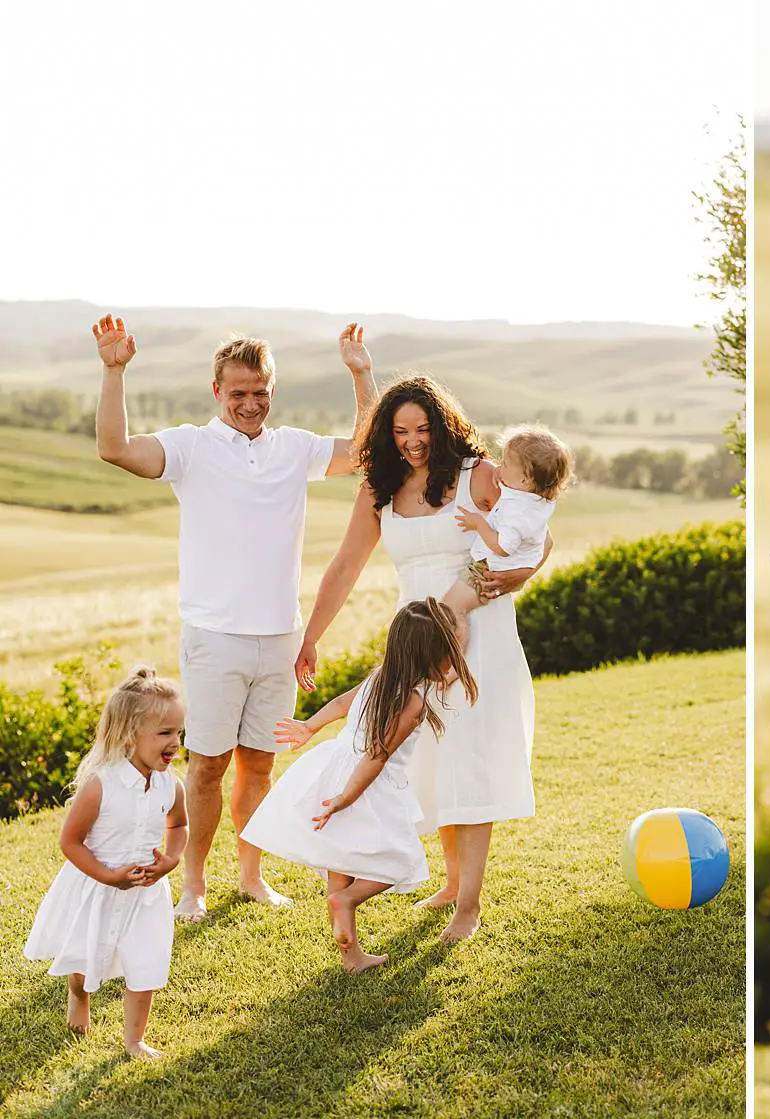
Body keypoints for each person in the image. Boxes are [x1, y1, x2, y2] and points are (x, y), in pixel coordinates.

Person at [93, 316, 375, 923]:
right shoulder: (191, 448)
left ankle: (251, 875)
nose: (250, 403)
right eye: (238, 392)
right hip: (214, 638)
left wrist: (361, 373)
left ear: (273, 390)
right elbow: (115, 449)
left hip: (280, 637)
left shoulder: (294, 448)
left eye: (260, 392)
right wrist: (114, 372)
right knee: (208, 768)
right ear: (217, 391)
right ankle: (193, 884)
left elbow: (366, 452)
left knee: (259, 765)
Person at [296, 376, 550, 943]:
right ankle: (451, 880)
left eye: (423, 429)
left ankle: (469, 904)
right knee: (432, 759)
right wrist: (311, 636)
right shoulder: (379, 490)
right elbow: (343, 566)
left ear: (444, 425)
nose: (413, 441)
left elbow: (536, 527)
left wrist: (523, 572)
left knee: (471, 758)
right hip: (416, 639)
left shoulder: (477, 475)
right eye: (401, 431)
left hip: (478, 631)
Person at [242, 598, 475, 974]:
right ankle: (348, 900)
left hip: (335, 768)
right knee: (400, 860)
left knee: (341, 861)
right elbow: (378, 757)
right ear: (434, 655)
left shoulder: (382, 675)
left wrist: (309, 727)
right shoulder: (412, 702)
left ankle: (351, 958)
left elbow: (339, 705)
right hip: (365, 785)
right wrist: (346, 799)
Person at [24, 667, 189, 1060]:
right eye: (165, 733)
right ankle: (78, 996)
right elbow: (71, 841)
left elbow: (179, 823)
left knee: (145, 965)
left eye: (179, 732)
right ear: (131, 733)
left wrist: (171, 860)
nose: (176, 743)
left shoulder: (172, 785)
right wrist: (108, 876)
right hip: (97, 886)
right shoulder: (101, 784)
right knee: (85, 962)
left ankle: (134, 1041)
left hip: (146, 895)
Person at [444, 423, 572, 623]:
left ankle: (456, 650)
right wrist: (502, 475)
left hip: (490, 571)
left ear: (525, 480)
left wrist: (479, 524)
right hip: (507, 567)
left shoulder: (518, 515)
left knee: (449, 612)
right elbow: (516, 493)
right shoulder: (533, 497)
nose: (498, 467)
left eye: (504, 465)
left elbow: (504, 546)